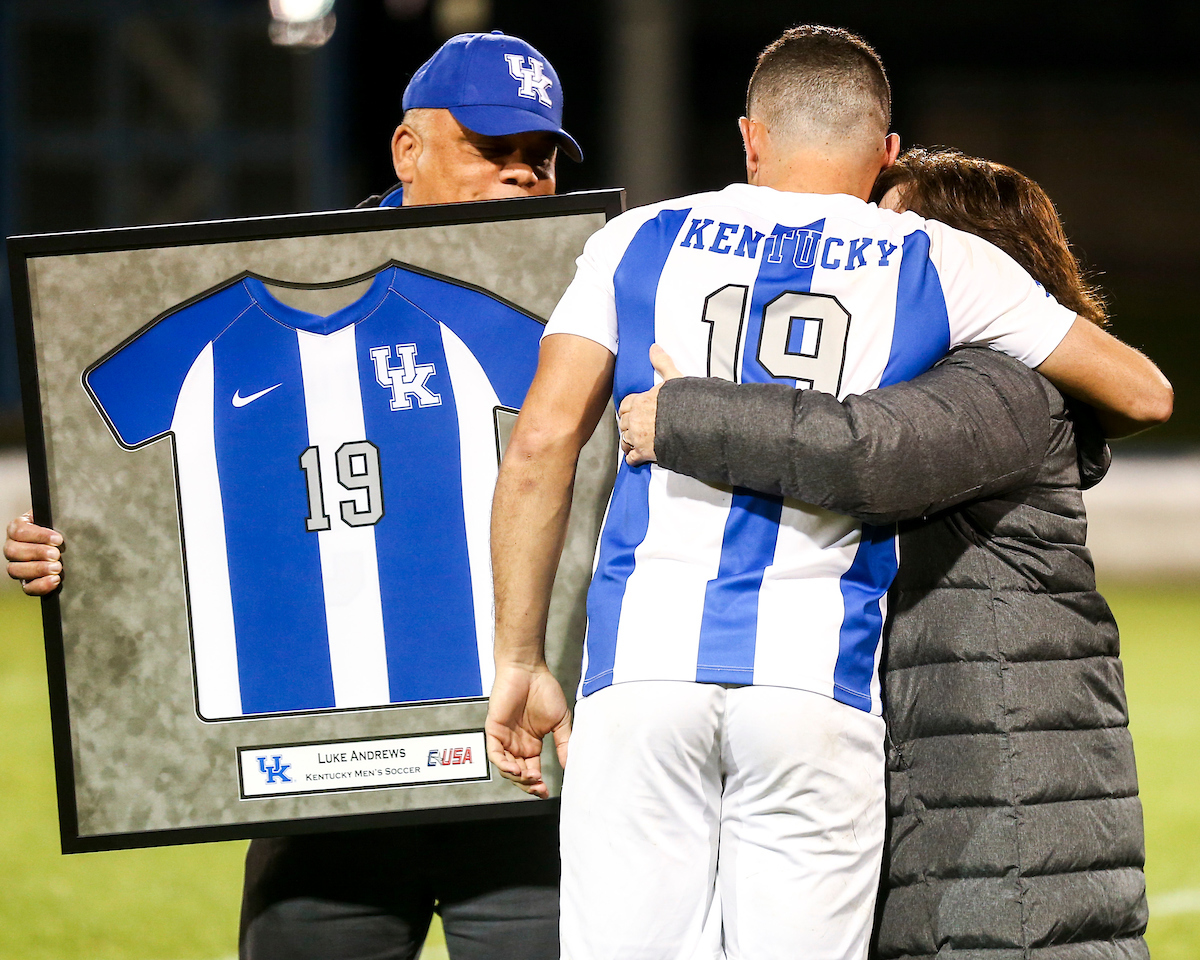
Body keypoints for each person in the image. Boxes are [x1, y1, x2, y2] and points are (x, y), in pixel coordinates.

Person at [485, 26, 1170, 960]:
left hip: (640, 672)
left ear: (750, 138)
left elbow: (537, 447)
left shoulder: (637, 238)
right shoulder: (942, 260)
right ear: (887, 151)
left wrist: (521, 658)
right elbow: (1144, 392)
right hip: (816, 683)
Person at [5, 30, 580, 960]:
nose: (521, 177)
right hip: (315, 782)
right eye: (490, 149)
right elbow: (112, 477)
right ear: (408, 150)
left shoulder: (588, 292)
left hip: (515, 771)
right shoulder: (273, 283)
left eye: (539, 159)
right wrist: (75, 541)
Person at [616, 149, 1155, 959]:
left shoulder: (999, 382)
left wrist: (684, 415)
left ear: (976, 260)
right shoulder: (960, 379)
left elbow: (866, 454)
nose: (872, 256)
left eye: (892, 234)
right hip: (972, 812)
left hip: (1004, 836)